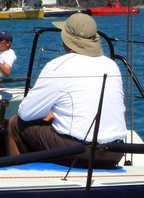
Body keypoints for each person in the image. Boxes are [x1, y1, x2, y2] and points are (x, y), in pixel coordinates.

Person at [7, 13, 127, 167]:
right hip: (115, 153)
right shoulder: (112, 65)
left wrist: (49, 114)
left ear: (66, 39)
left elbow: (25, 113)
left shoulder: (58, 66)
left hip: (79, 154)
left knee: (15, 124)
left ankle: (19, 178)